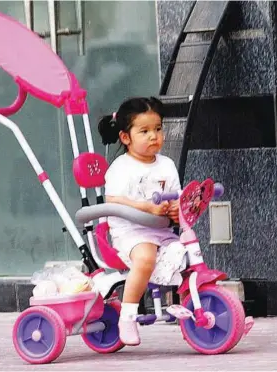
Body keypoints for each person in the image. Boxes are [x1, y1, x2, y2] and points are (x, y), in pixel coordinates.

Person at [98, 96, 187, 346]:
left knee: (185, 254)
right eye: (144, 131)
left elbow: (175, 196)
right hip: (131, 231)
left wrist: (174, 209)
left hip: (161, 229)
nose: (153, 136)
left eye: (158, 129)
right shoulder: (121, 168)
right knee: (146, 257)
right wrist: (144, 207)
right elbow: (113, 200)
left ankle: (198, 306)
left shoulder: (167, 165)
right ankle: (127, 315)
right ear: (126, 137)